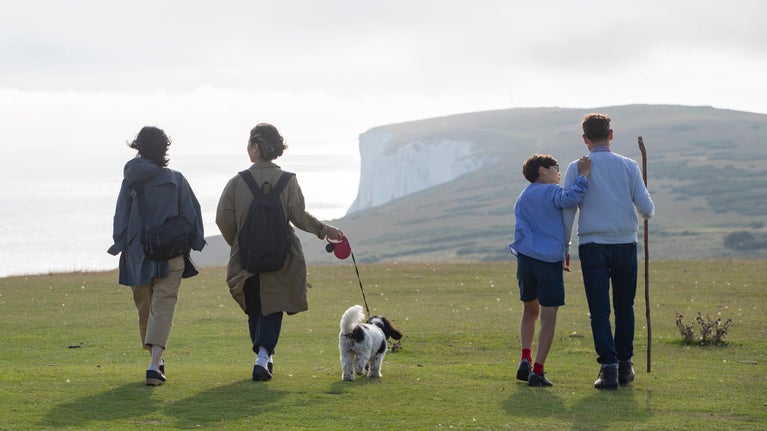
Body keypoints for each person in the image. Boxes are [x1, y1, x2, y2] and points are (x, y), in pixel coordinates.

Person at [216, 123, 344, 381]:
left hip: (247, 258)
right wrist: (324, 229)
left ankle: (263, 356)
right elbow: (298, 217)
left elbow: (222, 219)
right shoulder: (288, 180)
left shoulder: (236, 182)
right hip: (282, 255)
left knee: (254, 305)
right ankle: (264, 357)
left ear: (255, 146)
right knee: (272, 306)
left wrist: (240, 244)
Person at [562, 113, 654, 390]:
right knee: (625, 308)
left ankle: (609, 369)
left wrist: (564, 245)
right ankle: (625, 366)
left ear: (585, 139)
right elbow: (647, 209)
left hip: (592, 245)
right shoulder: (629, 165)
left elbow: (568, 210)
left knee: (600, 311)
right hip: (626, 244)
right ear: (611, 135)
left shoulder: (575, 167)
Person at [108, 126, 206, 386]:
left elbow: (121, 216)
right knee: (162, 307)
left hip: (137, 255)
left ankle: (155, 360)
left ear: (138, 148)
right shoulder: (176, 179)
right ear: (164, 149)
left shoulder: (130, 180)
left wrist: (120, 243)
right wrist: (196, 242)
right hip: (170, 253)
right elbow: (191, 214)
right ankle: (155, 363)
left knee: (145, 308)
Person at [510, 154, 591, 387]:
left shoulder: (523, 197)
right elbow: (571, 198)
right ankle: (538, 370)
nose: (559, 173)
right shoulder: (552, 191)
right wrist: (583, 176)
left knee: (529, 310)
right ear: (542, 171)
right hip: (548, 262)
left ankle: (524, 358)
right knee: (549, 317)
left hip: (525, 259)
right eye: (556, 168)